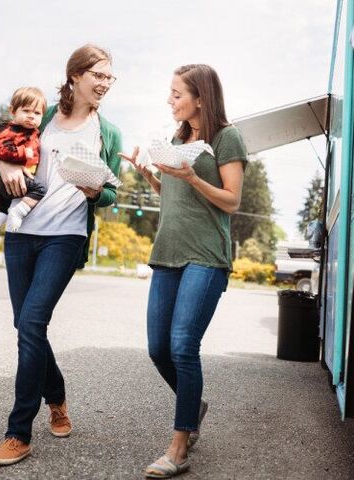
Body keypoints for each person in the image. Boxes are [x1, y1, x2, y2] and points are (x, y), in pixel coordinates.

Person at [0, 44, 124, 466]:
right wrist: (5, 168)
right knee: (25, 325)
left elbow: (113, 193)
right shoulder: (43, 116)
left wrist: (97, 192)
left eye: (109, 77)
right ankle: (58, 398)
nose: (104, 83)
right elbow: (1, 146)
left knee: (31, 321)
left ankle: (18, 433)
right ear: (76, 76)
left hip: (66, 236)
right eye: (98, 75)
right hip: (23, 231)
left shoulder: (109, 131)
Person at [121, 64, 247, 478]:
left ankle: (178, 447)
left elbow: (231, 202)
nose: (170, 100)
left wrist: (191, 175)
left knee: (182, 346)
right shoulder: (177, 139)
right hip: (168, 253)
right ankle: (193, 407)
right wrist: (151, 178)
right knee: (158, 348)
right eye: (171, 93)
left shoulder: (227, 138)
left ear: (201, 99)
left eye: (177, 94)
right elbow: (175, 196)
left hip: (206, 257)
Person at [0, 87, 48, 245]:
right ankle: (18, 212)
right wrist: (24, 153)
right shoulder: (11, 131)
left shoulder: (32, 132)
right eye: (26, 111)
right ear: (13, 110)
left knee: (6, 204)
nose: (31, 116)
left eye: (37, 113)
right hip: (15, 177)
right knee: (40, 189)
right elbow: (2, 149)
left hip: (16, 180)